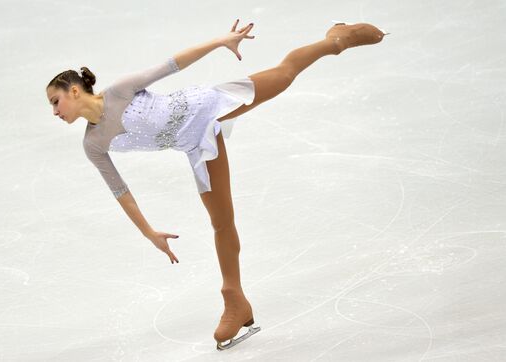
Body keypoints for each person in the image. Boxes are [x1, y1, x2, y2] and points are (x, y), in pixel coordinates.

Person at [45, 19, 388, 350]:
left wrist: (220, 41)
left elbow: (172, 64)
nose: (55, 112)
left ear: (74, 91)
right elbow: (120, 191)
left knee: (284, 75)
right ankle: (235, 300)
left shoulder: (119, 91)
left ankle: (336, 40)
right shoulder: (94, 145)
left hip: (208, 105)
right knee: (221, 221)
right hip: (195, 144)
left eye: (56, 101)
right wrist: (149, 232)